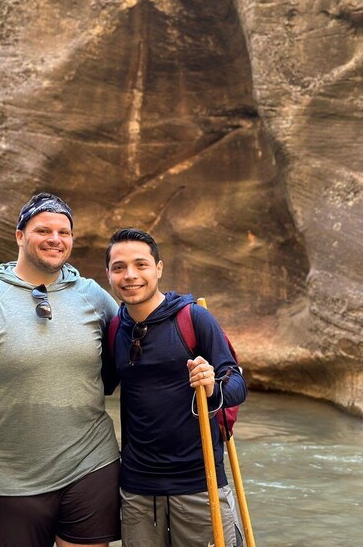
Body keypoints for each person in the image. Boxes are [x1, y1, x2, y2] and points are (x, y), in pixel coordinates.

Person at [0, 192, 120, 547]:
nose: (55, 239)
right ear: (20, 236)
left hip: (91, 465)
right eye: (43, 230)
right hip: (6, 478)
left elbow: (133, 355)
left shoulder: (93, 296)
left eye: (64, 232)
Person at [103, 227, 248, 547]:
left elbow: (237, 384)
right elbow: (96, 386)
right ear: (109, 276)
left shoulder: (193, 318)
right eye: (119, 268)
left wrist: (212, 386)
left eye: (141, 265)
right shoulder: (115, 328)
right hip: (138, 489)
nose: (130, 275)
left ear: (158, 268)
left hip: (200, 483)